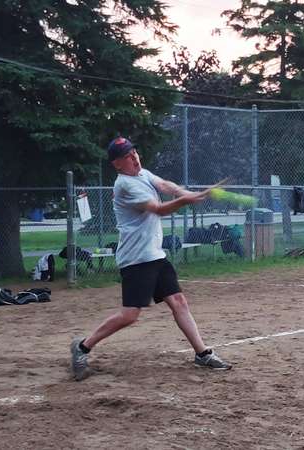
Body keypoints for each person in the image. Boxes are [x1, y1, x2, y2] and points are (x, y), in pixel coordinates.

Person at [70, 137, 231, 381]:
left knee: (178, 301)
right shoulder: (125, 185)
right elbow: (158, 208)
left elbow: (164, 184)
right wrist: (186, 200)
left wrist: (185, 192)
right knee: (130, 315)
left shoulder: (141, 174)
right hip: (136, 259)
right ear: (117, 164)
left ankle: (202, 353)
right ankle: (82, 347)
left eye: (134, 151)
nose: (134, 157)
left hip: (154, 254)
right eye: (127, 156)